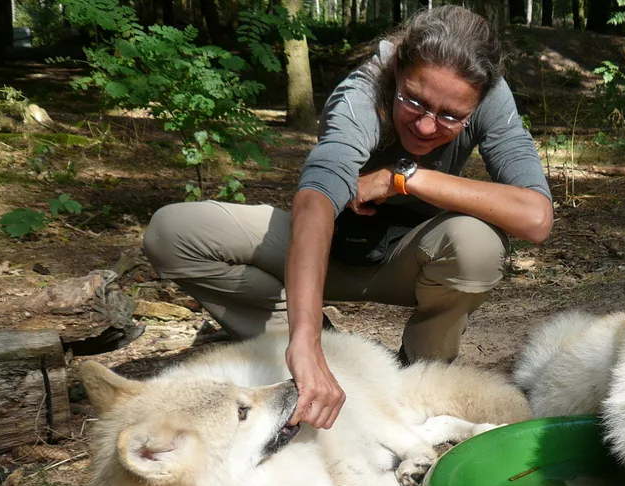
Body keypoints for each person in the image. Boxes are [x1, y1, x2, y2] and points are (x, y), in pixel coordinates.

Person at [143, 5, 553, 431]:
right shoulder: (362, 94)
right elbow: (315, 201)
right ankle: (315, 352)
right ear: (397, 70)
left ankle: (423, 374)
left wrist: (404, 178)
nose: (428, 127)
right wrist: (306, 339)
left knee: (476, 243)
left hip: (413, 261)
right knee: (173, 233)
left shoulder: (488, 96)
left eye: (450, 116)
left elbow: (536, 218)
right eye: (414, 101)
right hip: (331, 250)